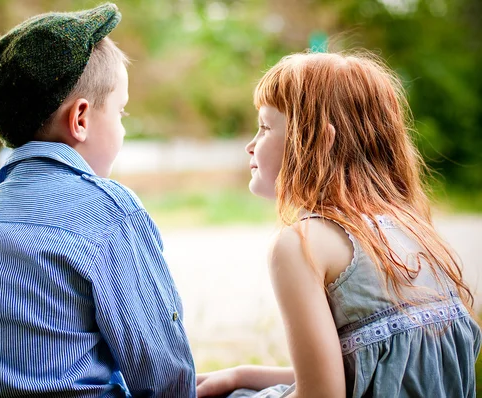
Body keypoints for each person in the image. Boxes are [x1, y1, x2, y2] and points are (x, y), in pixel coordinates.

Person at [0, 3, 196, 397]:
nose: (121, 128)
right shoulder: (108, 212)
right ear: (80, 119)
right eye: (121, 112)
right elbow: (165, 377)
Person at [196, 51, 481, 397]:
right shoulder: (410, 228)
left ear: (318, 141)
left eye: (265, 127)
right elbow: (363, 368)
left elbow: (322, 395)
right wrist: (241, 374)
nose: (250, 145)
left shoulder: (303, 243)